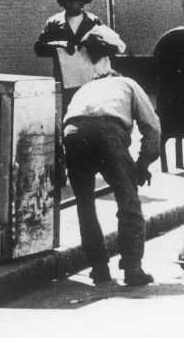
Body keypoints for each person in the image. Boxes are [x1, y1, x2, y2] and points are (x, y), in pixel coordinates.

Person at [62, 25, 159, 286]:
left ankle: (99, 268)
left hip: (73, 133)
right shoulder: (127, 84)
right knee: (128, 202)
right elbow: (152, 127)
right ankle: (132, 267)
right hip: (107, 134)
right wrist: (143, 163)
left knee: (85, 205)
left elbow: (67, 122)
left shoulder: (84, 90)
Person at [34, 0, 103, 104]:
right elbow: (39, 48)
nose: (70, 2)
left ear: (82, 0)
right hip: (64, 81)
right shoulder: (54, 22)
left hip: (89, 80)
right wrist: (60, 44)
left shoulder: (93, 21)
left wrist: (92, 45)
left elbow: (108, 47)